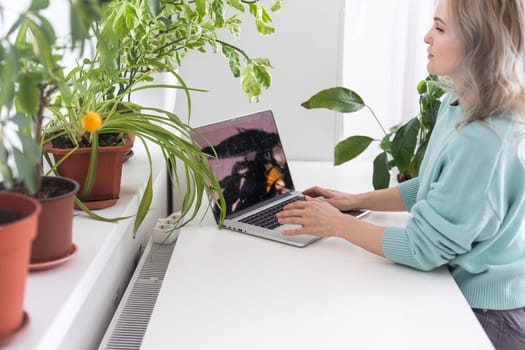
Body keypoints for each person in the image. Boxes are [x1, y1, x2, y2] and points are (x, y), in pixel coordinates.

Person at [277, 0, 525, 349]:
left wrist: (337, 224)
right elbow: (436, 185)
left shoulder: (485, 137)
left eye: (440, 29)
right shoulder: (457, 102)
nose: (426, 37)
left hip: (486, 317)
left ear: (478, 43)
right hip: (457, 294)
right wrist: (355, 201)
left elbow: (424, 248)